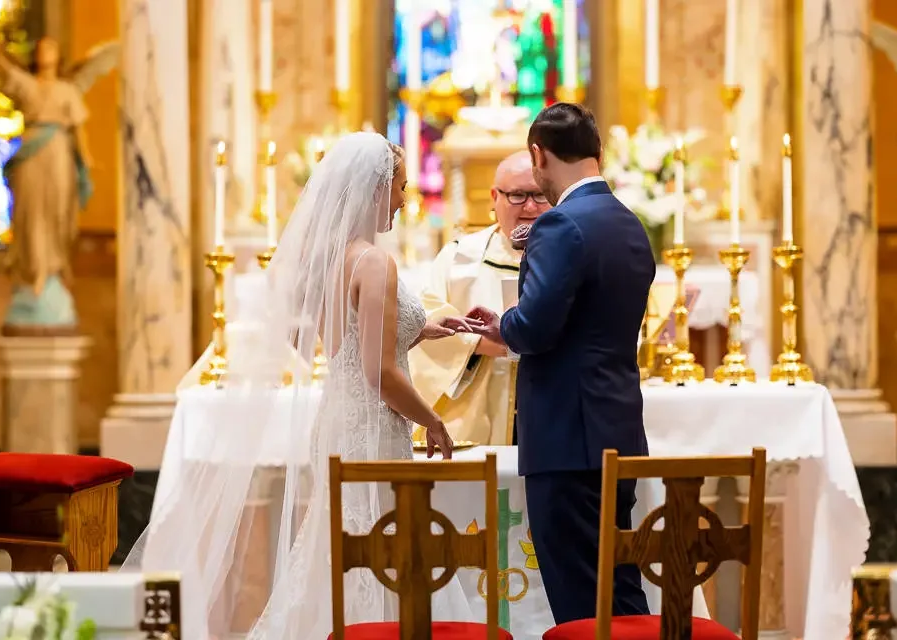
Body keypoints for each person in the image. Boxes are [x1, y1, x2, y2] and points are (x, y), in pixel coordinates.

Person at [123, 133, 480, 638]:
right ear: (375, 190)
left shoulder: (330, 259)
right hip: (373, 427)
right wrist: (434, 420)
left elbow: (338, 341)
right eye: (400, 188)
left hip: (339, 416)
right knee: (385, 548)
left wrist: (418, 329)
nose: (404, 199)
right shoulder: (375, 262)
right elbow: (379, 374)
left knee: (339, 545)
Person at [468, 103, 655, 624]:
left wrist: (503, 323)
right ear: (597, 153)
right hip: (616, 428)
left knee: (579, 605)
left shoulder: (561, 225)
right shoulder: (630, 224)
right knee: (618, 593)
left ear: (538, 155)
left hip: (566, 439)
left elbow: (536, 328)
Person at [0, 9, 116, 302]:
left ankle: (53, 268)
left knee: (56, 213)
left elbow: (78, 129)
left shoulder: (66, 91)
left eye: (51, 48)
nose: (45, 53)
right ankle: (33, 271)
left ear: (59, 56)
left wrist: (88, 160)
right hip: (31, 154)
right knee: (31, 214)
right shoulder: (25, 84)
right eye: (41, 48)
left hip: (58, 157)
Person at [410, 150, 550, 445]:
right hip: (476, 414)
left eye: (540, 195)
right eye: (517, 195)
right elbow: (425, 324)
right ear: (494, 197)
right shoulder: (461, 257)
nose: (529, 206)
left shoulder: (571, 254)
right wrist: (485, 343)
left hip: (554, 406)